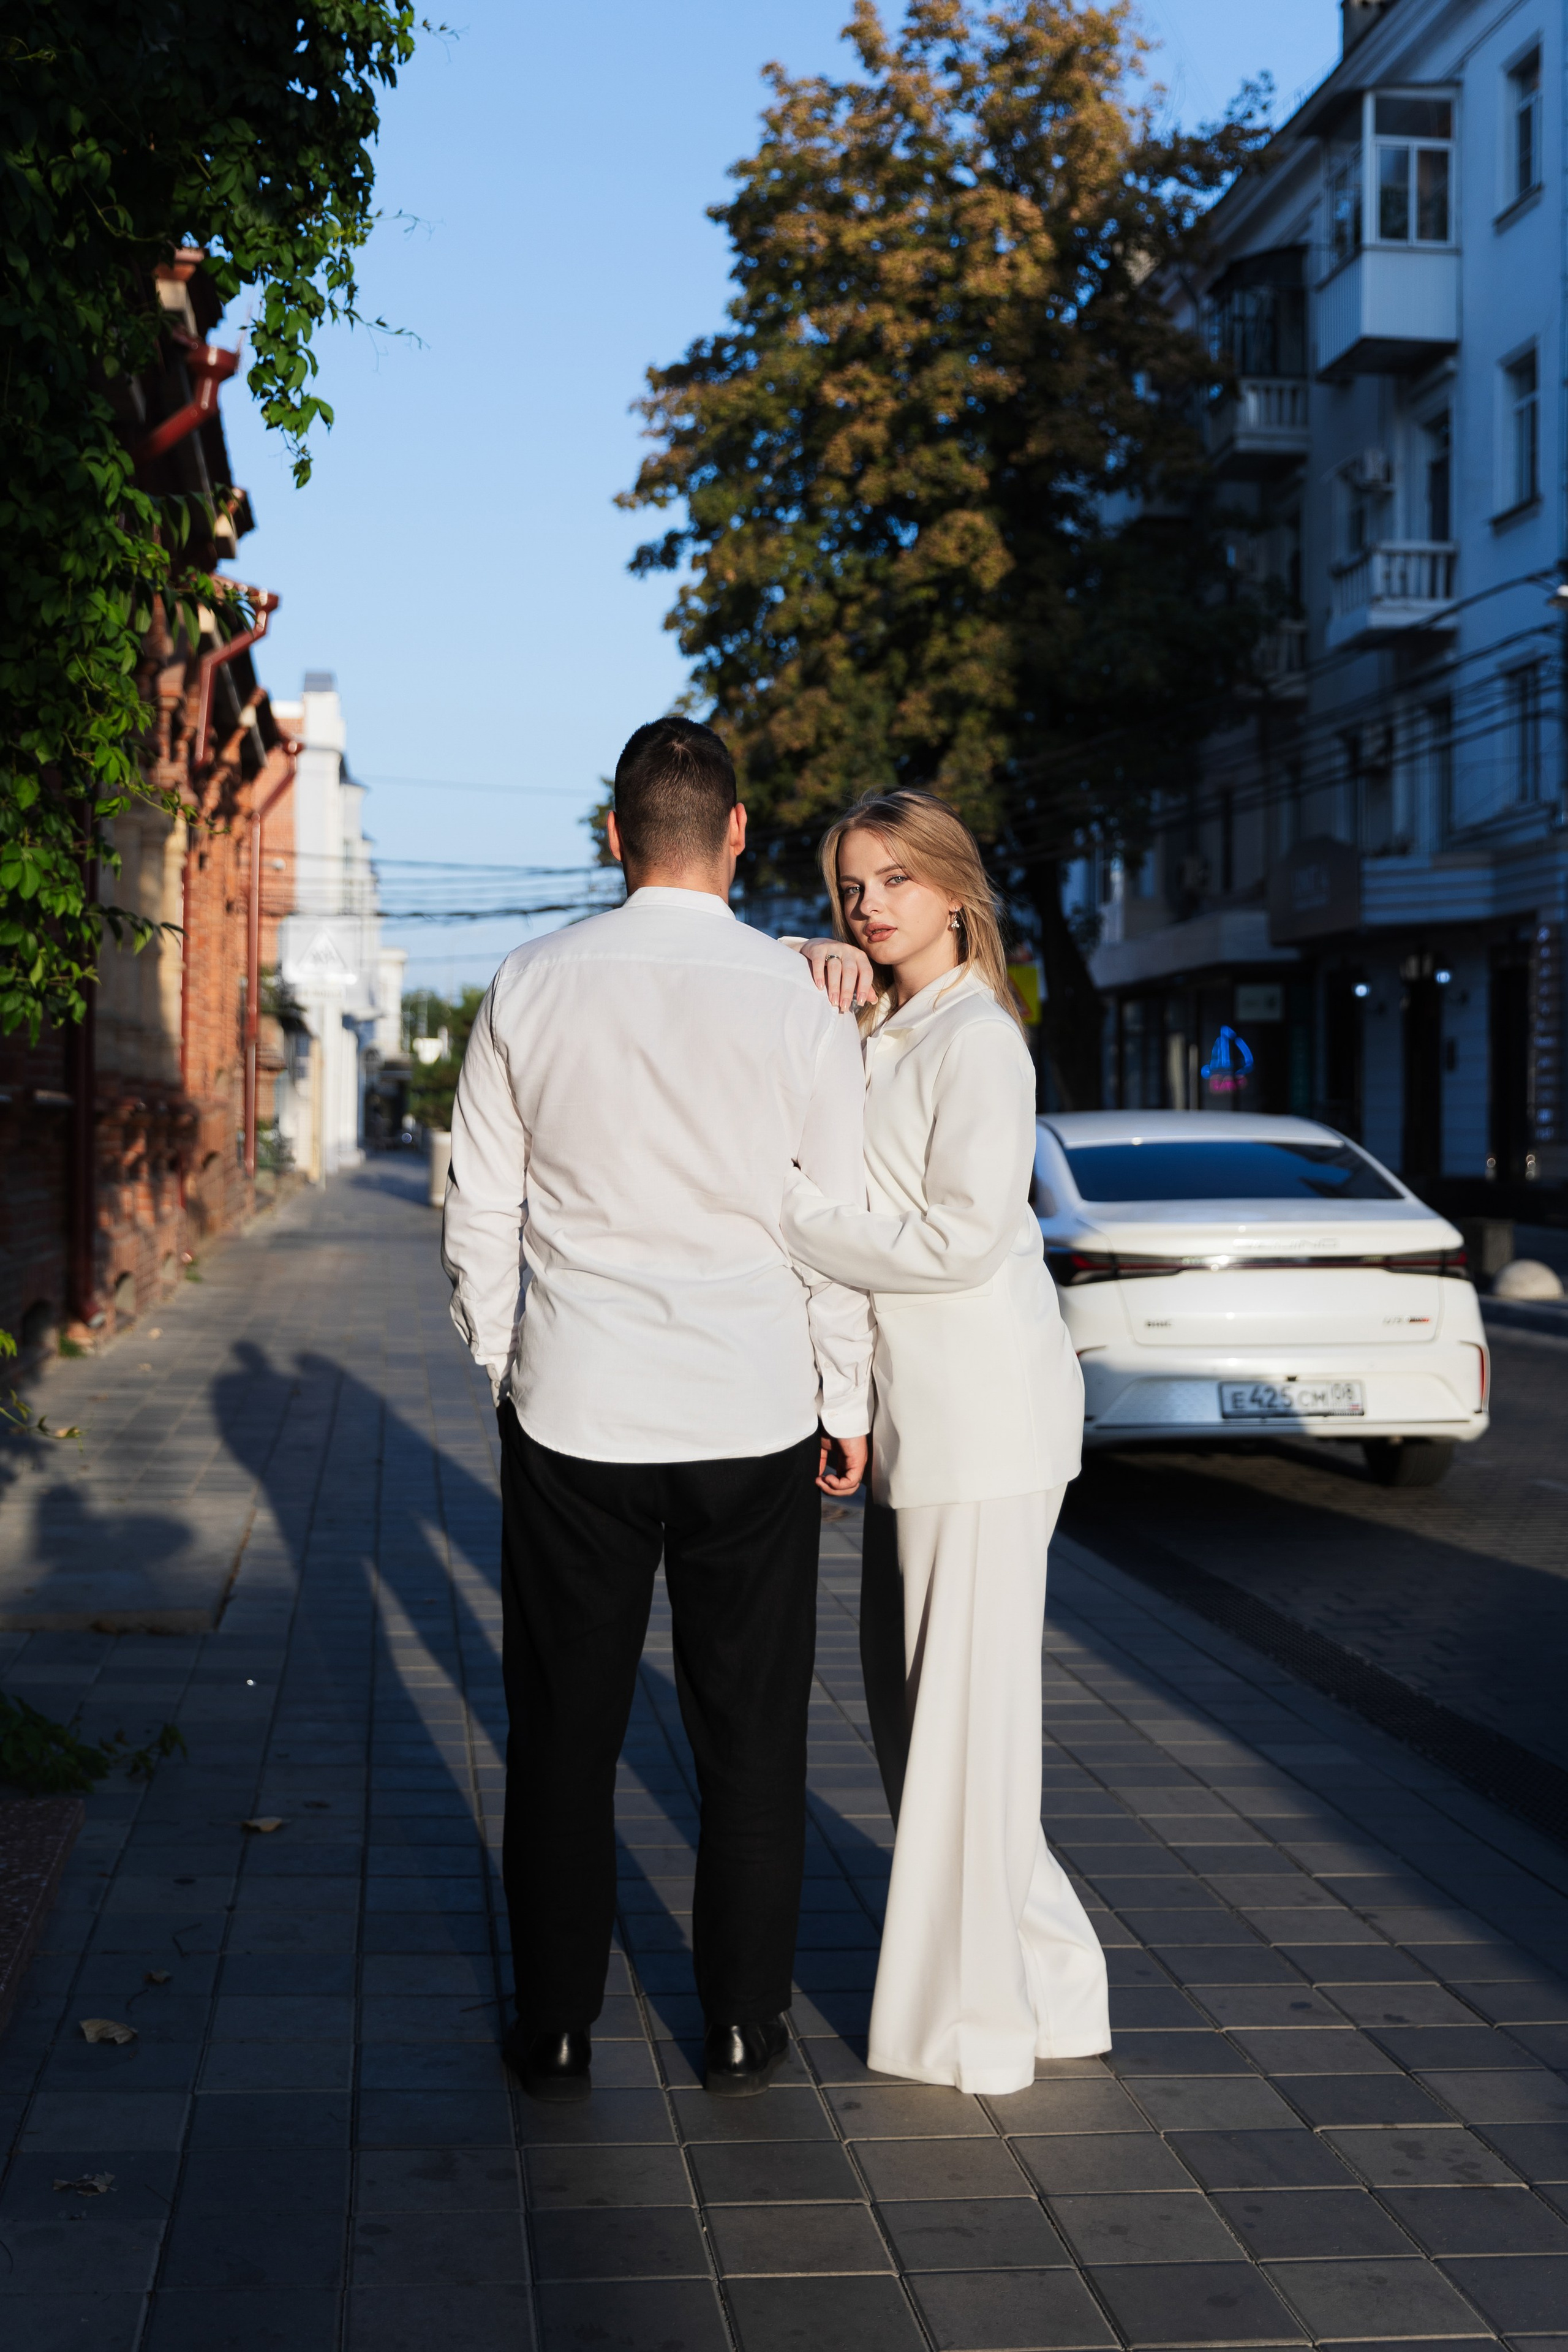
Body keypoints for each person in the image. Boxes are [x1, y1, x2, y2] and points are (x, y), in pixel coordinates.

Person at [442, 718, 872, 2103]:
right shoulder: (797, 1001)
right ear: (737, 832)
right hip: (755, 1407)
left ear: (612, 835)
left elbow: (479, 1205)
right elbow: (833, 1225)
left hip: (577, 1405)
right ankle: (742, 2024)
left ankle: (557, 2027)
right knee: (749, 1732)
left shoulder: (530, 981)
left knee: (563, 1735)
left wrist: (507, 1362)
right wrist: (847, 1396)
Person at [780, 788, 1110, 2097]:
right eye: (851, 887)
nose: (869, 905)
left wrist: (790, 1216)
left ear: (956, 890)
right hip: (928, 1420)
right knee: (925, 1721)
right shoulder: (893, 1020)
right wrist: (808, 958)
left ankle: (969, 2029)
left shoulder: (976, 1039)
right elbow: (749, 982)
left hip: (983, 1423)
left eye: (894, 881)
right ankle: (1056, 1988)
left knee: (959, 1735)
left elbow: (962, 1239)